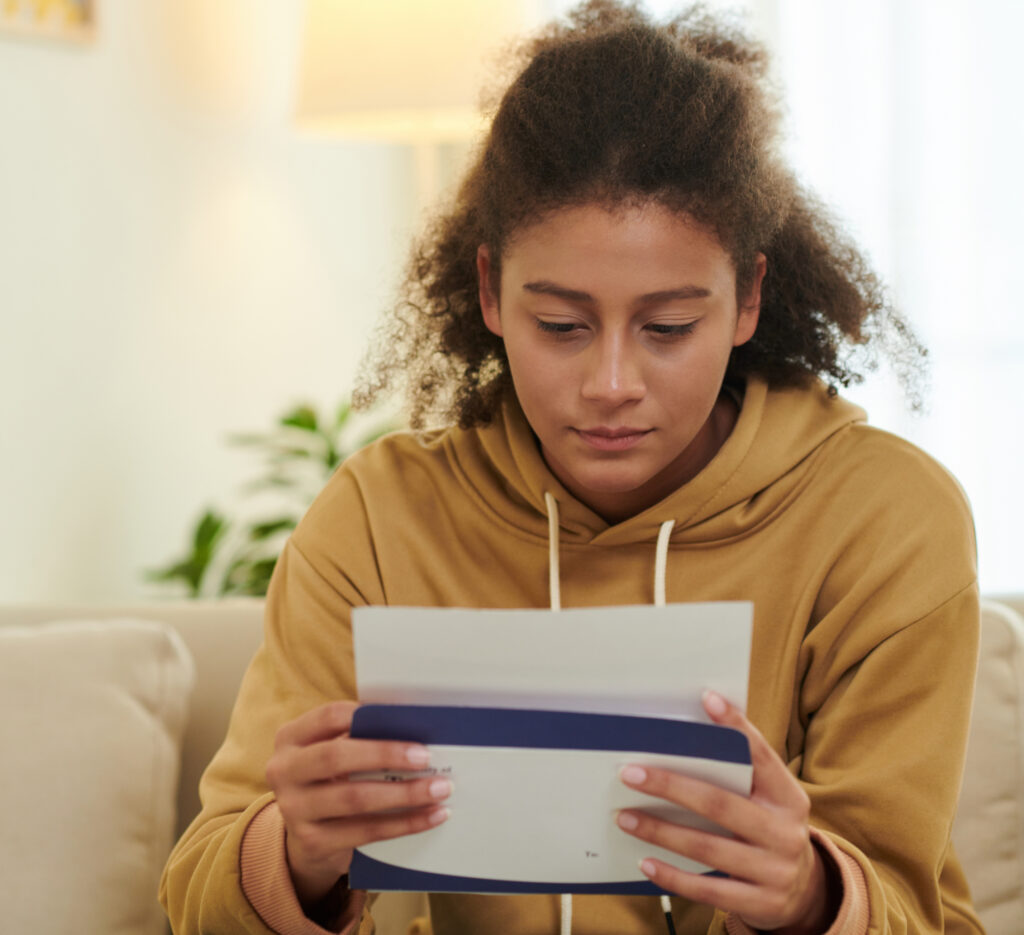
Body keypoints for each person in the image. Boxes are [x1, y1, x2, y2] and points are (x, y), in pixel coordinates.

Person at [159, 2, 982, 933]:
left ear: (749, 297)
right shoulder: (380, 516)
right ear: (490, 293)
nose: (612, 384)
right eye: (561, 326)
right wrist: (295, 852)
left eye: (669, 327)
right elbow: (199, 901)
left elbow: (915, 909)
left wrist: (808, 893)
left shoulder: (883, 517)